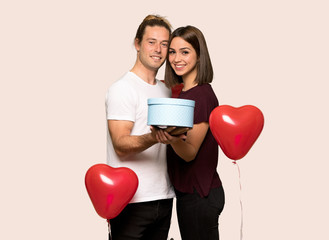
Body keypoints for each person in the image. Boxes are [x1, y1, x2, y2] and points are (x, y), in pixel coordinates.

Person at [105, 15, 175, 240]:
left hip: (163, 198)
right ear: (137, 44)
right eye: (151, 42)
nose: (158, 49)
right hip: (131, 201)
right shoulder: (122, 89)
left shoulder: (165, 91)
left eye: (164, 44)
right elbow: (120, 145)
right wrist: (153, 137)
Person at [155, 26, 225, 240]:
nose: (177, 58)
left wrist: (170, 138)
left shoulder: (201, 95)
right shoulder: (183, 93)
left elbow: (190, 153)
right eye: (173, 52)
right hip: (190, 193)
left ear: (199, 56)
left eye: (185, 52)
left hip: (200, 196)